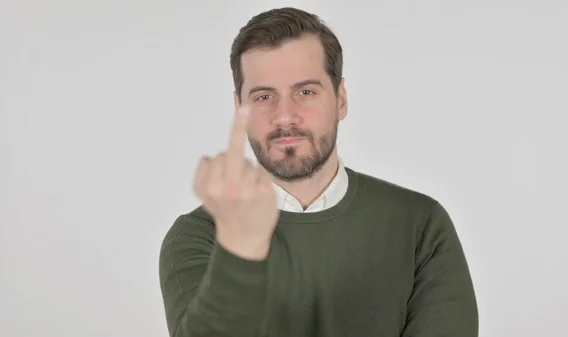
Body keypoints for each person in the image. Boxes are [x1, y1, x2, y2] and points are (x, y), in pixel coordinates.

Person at [158, 7, 478, 337]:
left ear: (340, 99)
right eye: (264, 96)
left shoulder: (419, 224)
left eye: (305, 92)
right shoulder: (199, 236)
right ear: (240, 108)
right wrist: (240, 248)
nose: (285, 116)